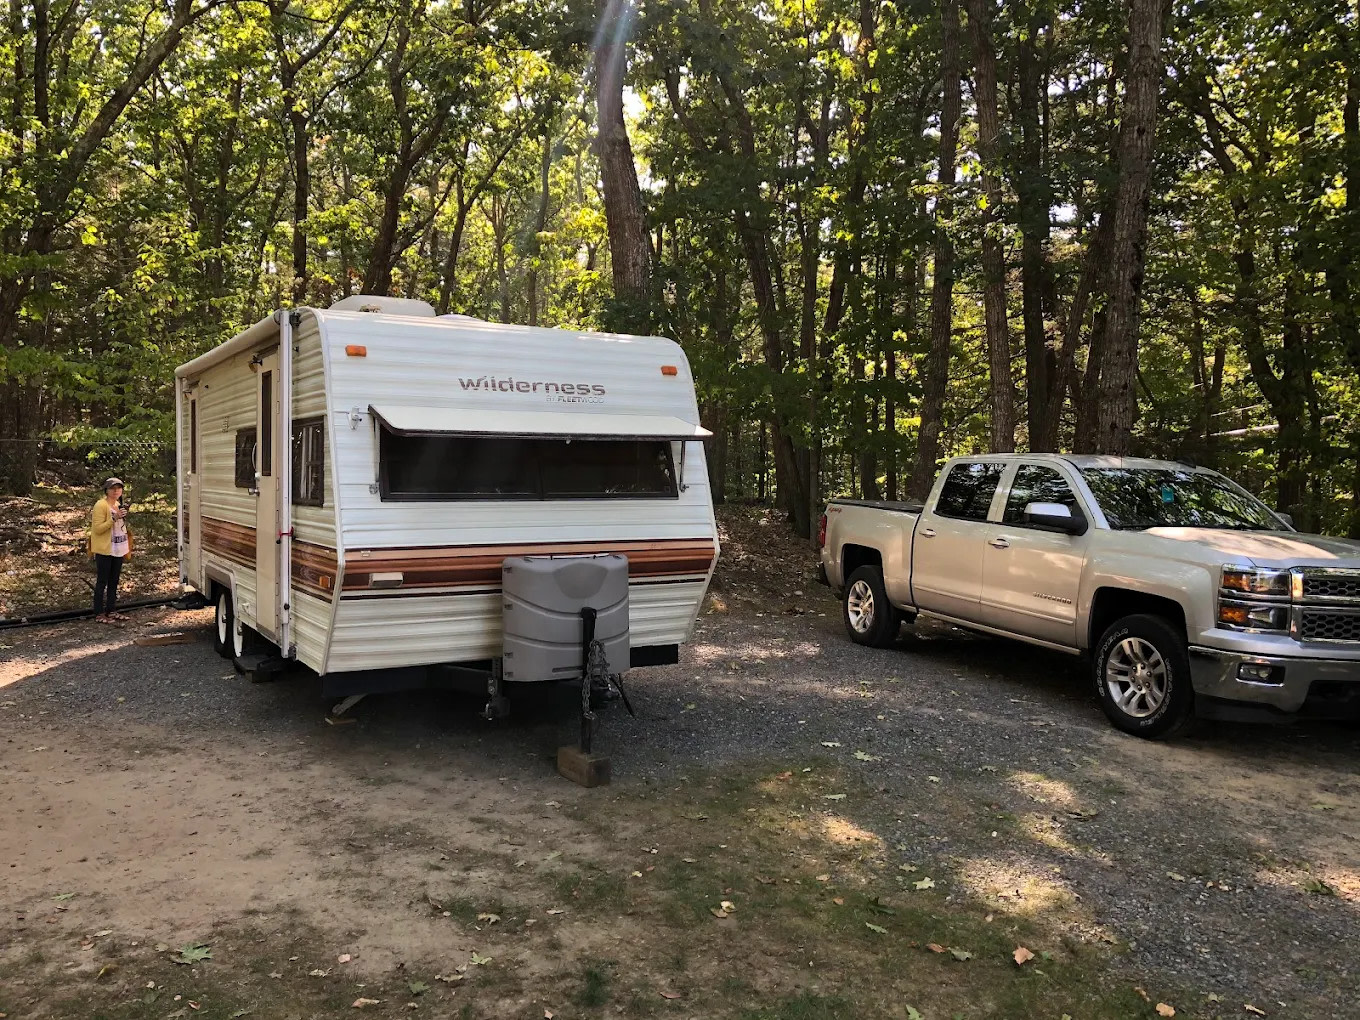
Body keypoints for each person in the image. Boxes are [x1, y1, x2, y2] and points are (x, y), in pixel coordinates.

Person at [90, 477, 132, 623]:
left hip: (118, 548)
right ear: (106, 490)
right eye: (113, 488)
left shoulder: (118, 504)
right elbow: (98, 529)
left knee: (114, 580)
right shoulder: (101, 505)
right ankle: (99, 613)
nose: (116, 491)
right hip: (104, 548)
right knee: (102, 581)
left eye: (119, 488)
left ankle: (111, 610)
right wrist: (114, 518)